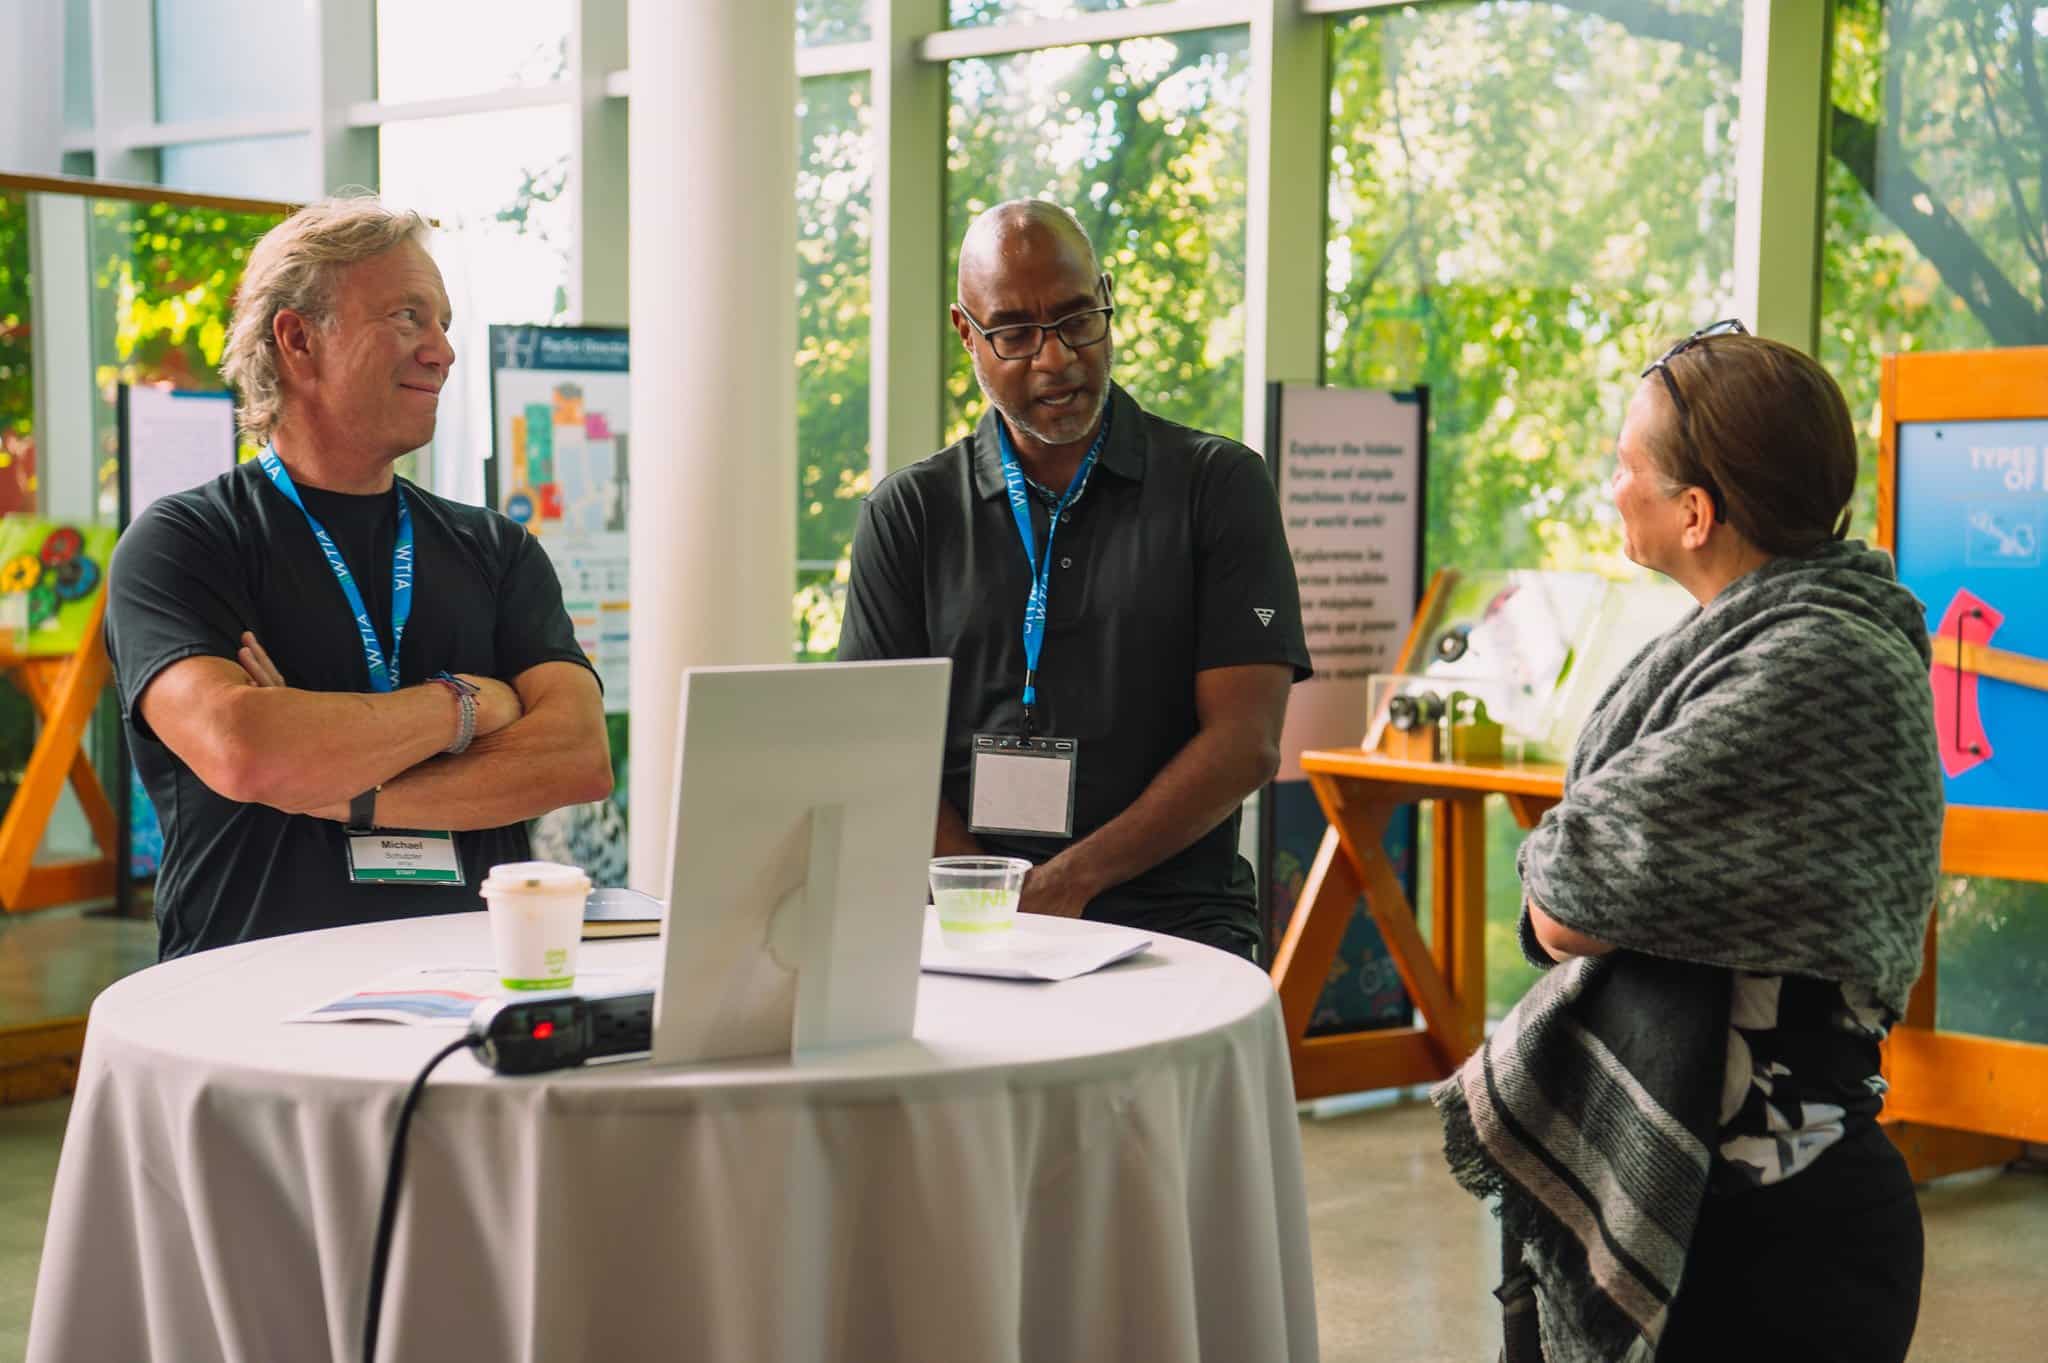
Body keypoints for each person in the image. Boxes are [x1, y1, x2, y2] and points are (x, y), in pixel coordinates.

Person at [1433, 322, 1943, 1363]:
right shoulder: (1757, 642)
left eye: (1625, 466)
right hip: (1714, 1205)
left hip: (1773, 1246)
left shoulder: (1812, 666)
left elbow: (1565, 895)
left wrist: (1550, 850)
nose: (1610, 486)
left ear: (1693, 511)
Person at [106, 196, 612, 959]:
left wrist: (344, 791)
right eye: (408, 317)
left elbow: (576, 754)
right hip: (247, 998)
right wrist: (468, 706)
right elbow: (244, 749)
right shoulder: (184, 543)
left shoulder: (496, 548)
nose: (441, 350)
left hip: (471, 984)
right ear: (299, 339)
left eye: (443, 322)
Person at [836, 200, 1310, 961]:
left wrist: (1068, 883)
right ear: (966, 332)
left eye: (1077, 319)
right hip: (957, 924)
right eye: (1015, 333)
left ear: (1107, 299)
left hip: (1173, 924)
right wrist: (980, 897)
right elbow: (879, 747)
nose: (1055, 359)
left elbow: (1245, 742)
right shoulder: (911, 514)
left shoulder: (1217, 486)